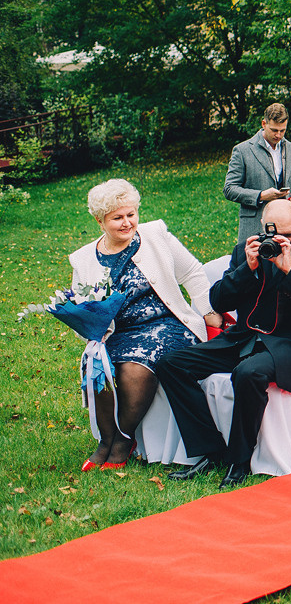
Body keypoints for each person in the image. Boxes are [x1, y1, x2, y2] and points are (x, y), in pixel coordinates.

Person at [158, 200, 291, 488]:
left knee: (248, 373)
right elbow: (218, 300)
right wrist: (248, 267)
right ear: (264, 229)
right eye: (276, 235)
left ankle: (239, 460)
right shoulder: (247, 250)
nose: (284, 242)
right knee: (171, 365)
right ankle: (210, 449)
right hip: (244, 338)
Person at [67, 179, 221, 472]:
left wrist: (209, 311)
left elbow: (192, 272)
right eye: (117, 218)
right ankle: (105, 439)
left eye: (131, 214)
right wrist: (89, 330)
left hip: (168, 324)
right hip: (119, 333)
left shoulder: (155, 235)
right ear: (99, 221)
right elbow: (81, 311)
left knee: (134, 367)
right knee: (100, 366)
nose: (127, 223)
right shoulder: (84, 260)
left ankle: (123, 440)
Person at [223, 102, 291, 245]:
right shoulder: (242, 150)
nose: (278, 135)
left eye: (282, 130)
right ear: (264, 123)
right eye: (274, 130)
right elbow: (229, 189)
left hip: (287, 229)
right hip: (255, 227)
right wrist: (261, 196)